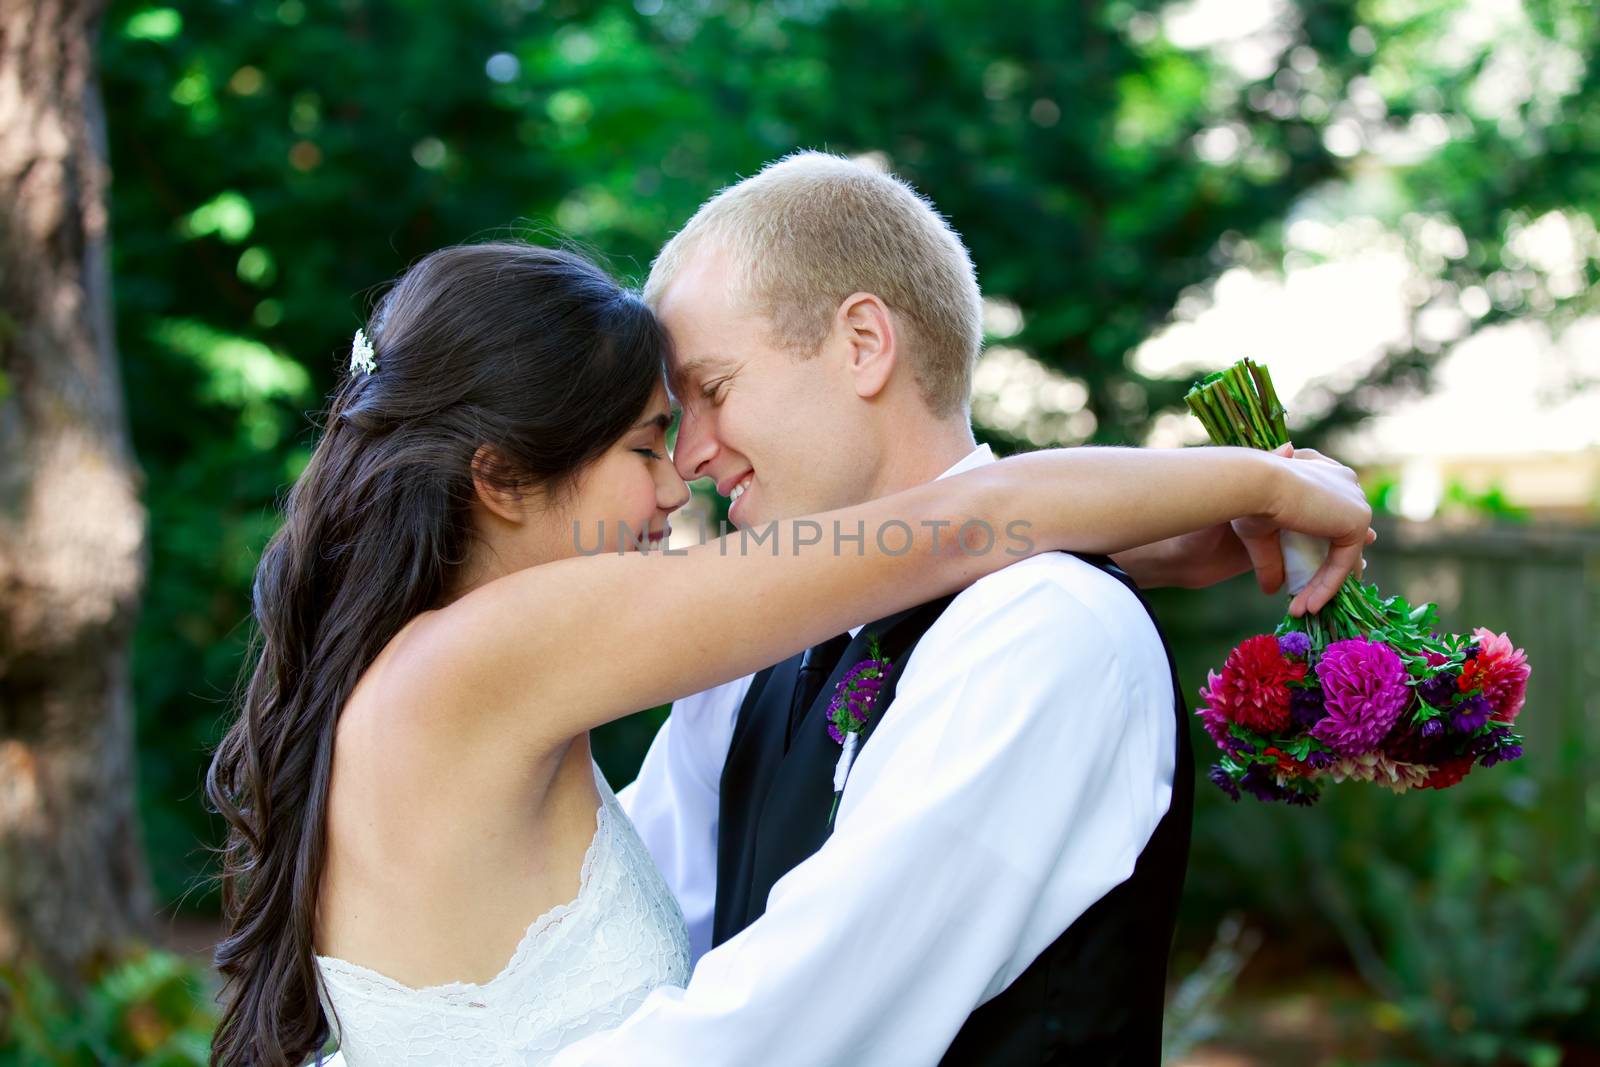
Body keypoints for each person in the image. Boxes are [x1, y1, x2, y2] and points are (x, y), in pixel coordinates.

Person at [205, 239, 1370, 1067]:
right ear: (502, 479)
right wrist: (1266, 474)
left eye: (700, 407)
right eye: (646, 440)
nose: (680, 481)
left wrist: (1138, 552)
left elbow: (919, 556)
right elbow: (951, 526)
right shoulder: (497, 652)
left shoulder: (457, 678)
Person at [553, 153, 1366, 1067]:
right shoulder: (755, 650)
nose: (690, 455)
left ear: (863, 342)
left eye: (714, 390)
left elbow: (795, 1028)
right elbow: (626, 937)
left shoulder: (1048, 630)